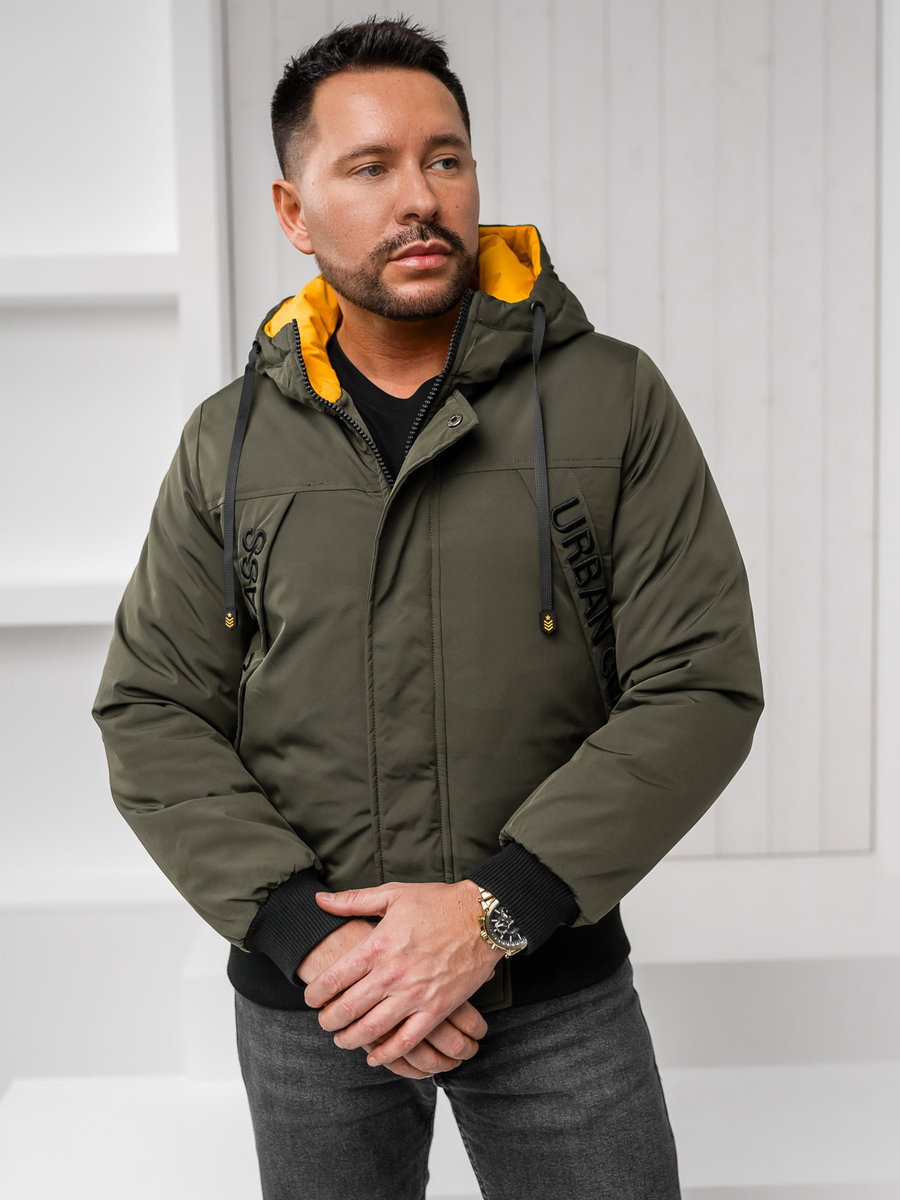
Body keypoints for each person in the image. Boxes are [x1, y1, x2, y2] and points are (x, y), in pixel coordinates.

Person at [92, 14, 764, 1200]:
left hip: (550, 988)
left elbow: (699, 683)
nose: (421, 198)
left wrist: (493, 915)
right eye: (370, 167)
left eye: (444, 158)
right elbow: (153, 709)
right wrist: (316, 941)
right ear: (294, 212)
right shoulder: (227, 439)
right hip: (315, 1003)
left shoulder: (612, 401)